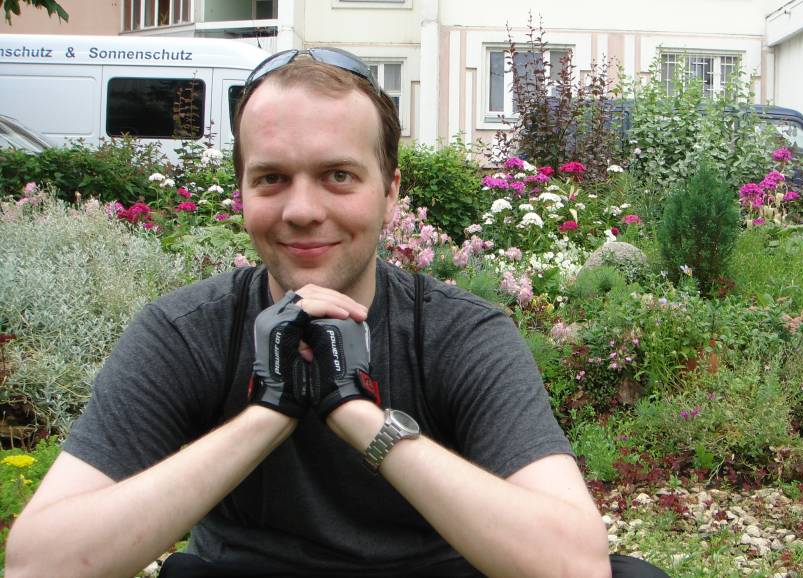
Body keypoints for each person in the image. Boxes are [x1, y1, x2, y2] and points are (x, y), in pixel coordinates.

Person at [5, 48, 668, 578]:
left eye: (338, 176)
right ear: (241, 190)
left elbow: (573, 564)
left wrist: (356, 412)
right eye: (271, 178)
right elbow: (38, 564)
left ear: (390, 191)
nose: (301, 210)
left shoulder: (460, 333)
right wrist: (269, 410)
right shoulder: (186, 331)